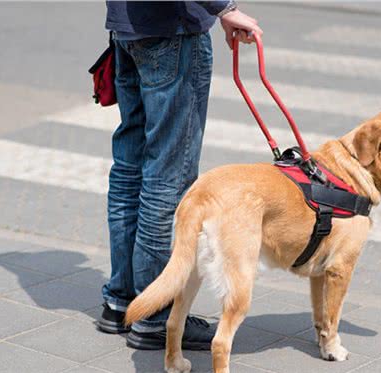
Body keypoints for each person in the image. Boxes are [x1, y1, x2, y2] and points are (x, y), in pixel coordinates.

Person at [96, 1, 262, 351]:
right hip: (171, 29)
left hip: (128, 28)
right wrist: (223, 7)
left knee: (131, 170)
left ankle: (122, 301)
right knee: (167, 178)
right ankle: (155, 316)